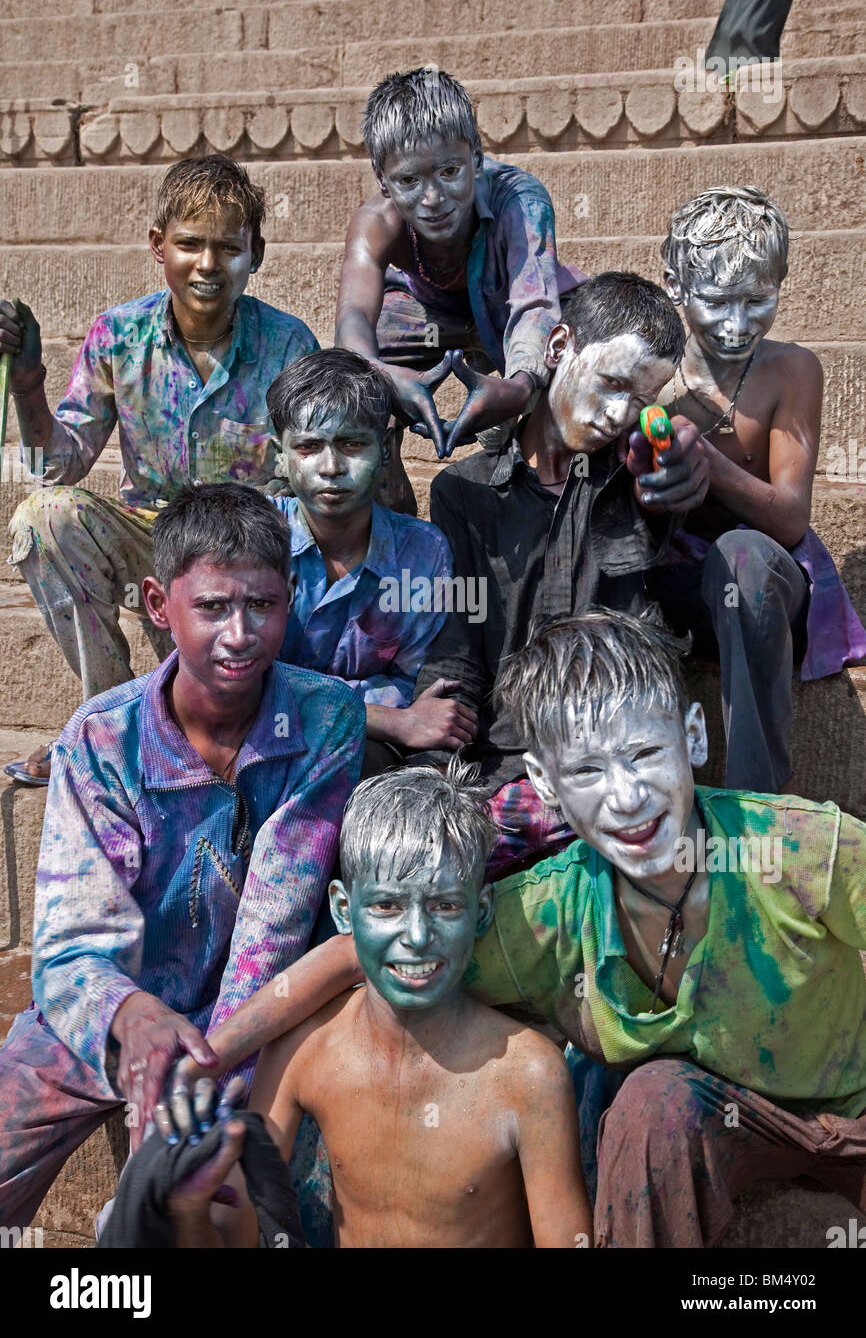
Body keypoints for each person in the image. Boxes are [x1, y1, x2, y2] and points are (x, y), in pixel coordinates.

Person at [173, 610, 866, 1249]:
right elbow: (362, 954)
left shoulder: (798, 849)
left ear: (692, 736)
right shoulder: (552, 909)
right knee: (651, 1098)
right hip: (722, 1123)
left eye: (646, 754)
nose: (627, 797)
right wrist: (211, 1054)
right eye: (588, 770)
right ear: (545, 781)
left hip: (858, 1103)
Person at [0, 483, 365, 1229]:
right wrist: (131, 1017)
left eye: (262, 606)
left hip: (247, 1019)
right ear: (158, 605)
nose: (240, 633)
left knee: (203, 1192)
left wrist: (200, 1062)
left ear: (289, 599)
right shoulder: (102, 740)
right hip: (108, 1011)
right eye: (212, 608)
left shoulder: (327, 720)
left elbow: (274, 926)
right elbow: (69, 950)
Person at [157, 764, 591, 1249]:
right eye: (387, 906)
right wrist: (189, 1207)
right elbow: (244, 1230)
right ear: (344, 910)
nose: (418, 937)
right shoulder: (306, 1050)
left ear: (482, 912)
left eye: (446, 905)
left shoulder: (530, 1075)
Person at [1, 154, 318, 784]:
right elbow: (52, 468)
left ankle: (263, 712)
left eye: (228, 247)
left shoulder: (288, 345)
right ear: (157, 246)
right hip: (155, 545)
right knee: (42, 518)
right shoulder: (117, 336)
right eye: (189, 244)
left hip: (250, 552)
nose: (207, 265)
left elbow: (312, 473)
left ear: (256, 252)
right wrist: (29, 383)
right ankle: (113, 721)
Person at [410, 271, 709, 874]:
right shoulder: (464, 493)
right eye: (612, 384)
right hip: (507, 766)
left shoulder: (630, 481)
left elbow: (670, 469)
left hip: (609, 765)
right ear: (558, 347)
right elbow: (457, 645)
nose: (619, 413)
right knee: (425, 863)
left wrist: (675, 460)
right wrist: (430, 773)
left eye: (641, 399)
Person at [654, 184, 866, 792]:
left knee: (742, 558)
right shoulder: (652, 373)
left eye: (757, 300)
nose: (737, 324)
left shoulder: (791, 371)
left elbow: (790, 521)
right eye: (718, 302)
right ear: (674, 285)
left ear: (782, 282)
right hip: (674, 580)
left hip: (763, 585)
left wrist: (709, 463)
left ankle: (756, 805)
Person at [335, 66, 584, 513]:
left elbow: (535, 304)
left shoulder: (520, 200)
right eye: (409, 181)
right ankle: (389, 510)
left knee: (575, 349)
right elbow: (352, 322)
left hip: (510, 307)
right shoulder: (376, 224)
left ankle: (544, 493)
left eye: (450, 171)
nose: (432, 198)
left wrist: (520, 387)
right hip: (427, 314)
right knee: (352, 377)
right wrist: (385, 378)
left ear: (476, 157)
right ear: (382, 179)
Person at [266, 348, 477, 774]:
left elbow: (414, 686)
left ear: (385, 449)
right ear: (280, 457)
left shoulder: (421, 554)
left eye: (352, 444)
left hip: (362, 753)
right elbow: (233, 681)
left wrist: (300, 696)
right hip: (256, 740)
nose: (331, 468)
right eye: (308, 447)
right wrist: (391, 719)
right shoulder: (248, 538)